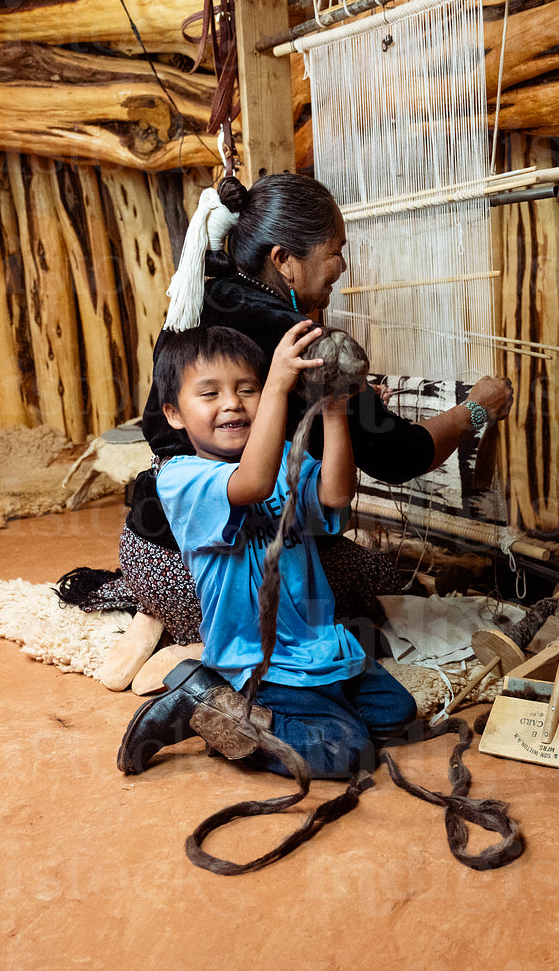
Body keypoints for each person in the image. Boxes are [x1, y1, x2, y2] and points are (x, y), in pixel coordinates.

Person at [118, 171, 514, 641]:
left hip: (146, 552)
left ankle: (161, 623)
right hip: (210, 584)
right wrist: (476, 408)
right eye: (335, 250)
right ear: (284, 261)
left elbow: (161, 426)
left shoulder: (201, 294)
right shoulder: (300, 342)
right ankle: (206, 648)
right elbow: (401, 456)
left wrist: (351, 412)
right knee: (379, 580)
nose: (343, 265)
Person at [120, 322, 417, 779]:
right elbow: (252, 482)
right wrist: (278, 383)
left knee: (397, 713)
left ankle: (258, 711)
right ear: (173, 414)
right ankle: (211, 705)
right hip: (257, 660)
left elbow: (337, 494)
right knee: (349, 752)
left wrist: (335, 412)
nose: (232, 403)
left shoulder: (281, 456)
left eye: (248, 389)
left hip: (318, 644)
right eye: (209, 394)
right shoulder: (181, 478)